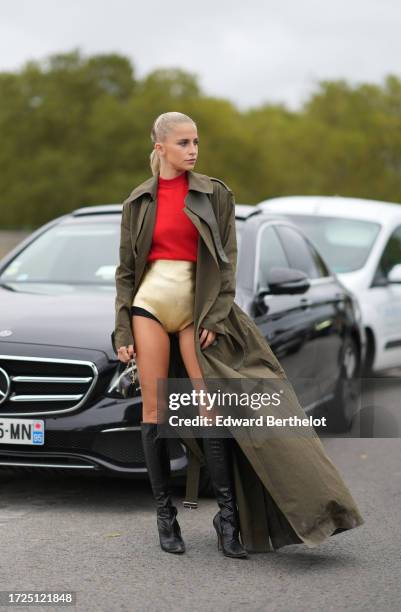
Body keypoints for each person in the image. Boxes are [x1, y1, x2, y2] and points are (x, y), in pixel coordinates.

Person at [116, 111, 248, 558]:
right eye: (183, 143)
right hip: (150, 305)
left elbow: (226, 261)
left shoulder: (216, 194)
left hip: (197, 308)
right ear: (161, 148)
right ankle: (165, 516)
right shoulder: (138, 200)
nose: (193, 149)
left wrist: (215, 315)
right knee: (154, 410)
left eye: (196, 141)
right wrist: (122, 327)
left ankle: (226, 518)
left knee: (210, 407)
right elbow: (127, 271)